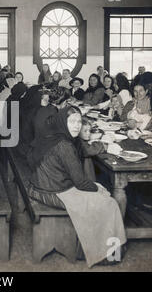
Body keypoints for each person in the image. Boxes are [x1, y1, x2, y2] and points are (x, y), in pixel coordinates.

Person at [27, 106, 126, 268]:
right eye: (71, 121)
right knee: (110, 203)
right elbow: (80, 183)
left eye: (79, 121)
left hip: (39, 186)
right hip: (53, 192)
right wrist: (97, 188)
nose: (76, 126)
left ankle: (86, 248)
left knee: (102, 199)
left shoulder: (52, 135)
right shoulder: (64, 145)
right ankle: (106, 254)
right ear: (62, 121)